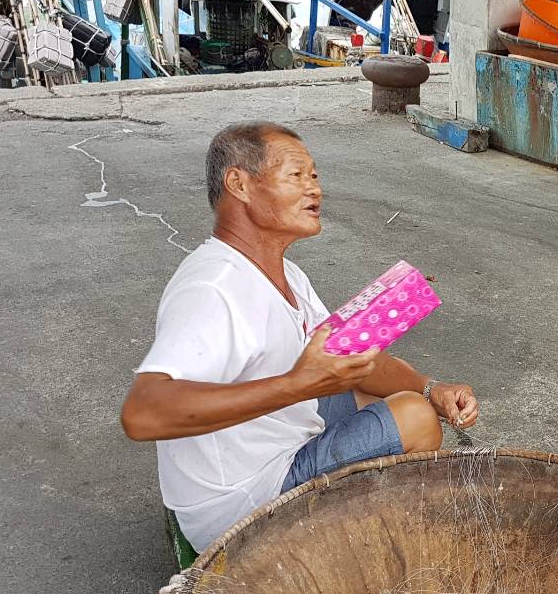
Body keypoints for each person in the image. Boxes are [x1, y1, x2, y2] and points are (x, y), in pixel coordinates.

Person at [121, 122, 479, 553]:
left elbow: (350, 358)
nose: (315, 190)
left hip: (272, 443)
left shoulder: (282, 270)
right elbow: (142, 413)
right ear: (239, 184)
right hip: (237, 503)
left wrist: (432, 387)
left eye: (315, 176)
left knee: (397, 396)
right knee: (413, 418)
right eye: (296, 175)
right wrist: (299, 385)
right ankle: (376, 556)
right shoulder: (212, 289)